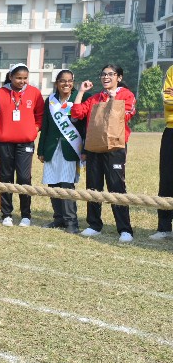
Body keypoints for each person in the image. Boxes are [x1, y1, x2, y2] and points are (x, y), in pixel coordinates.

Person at [70, 65, 136, 242]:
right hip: (94, 147)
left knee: (116, 186)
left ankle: (124, 229)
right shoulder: (96, 97)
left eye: (110, 74)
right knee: (93, 185)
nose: (106, 77)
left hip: (115, 147)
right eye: (103, 74)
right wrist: (81, 92)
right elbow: (77, 113)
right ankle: (94, 225)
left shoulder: (126, 95)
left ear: (119, 77)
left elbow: (128, 115)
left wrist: (113, 101)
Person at [0, 64, 45, 226]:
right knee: (6, 177)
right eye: (18, 78)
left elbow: (41, 115)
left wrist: (34, 130)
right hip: (4, 143)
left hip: (26, 143)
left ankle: (26, 215)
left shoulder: (34, 93)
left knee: (24, 178)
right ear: (10, 77)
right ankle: (6, 214)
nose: (22, 81)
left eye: (25, 78)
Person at [36, 70, 86, 233]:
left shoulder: (79, 97)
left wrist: (85, 148)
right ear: (57, 83)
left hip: (71, 147)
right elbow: (45, 126)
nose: (66, 84)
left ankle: (71, 222)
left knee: (66, 183)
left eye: (70, 81)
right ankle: (59, 218)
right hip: (52, 147)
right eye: (63, 81)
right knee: (53, 183)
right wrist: (41, 149)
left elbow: (85, 125)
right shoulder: (50, 100)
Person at [152, 64, 173, 240]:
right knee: (167, 179)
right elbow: (168, 100)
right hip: (171, 130)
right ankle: (164, 227)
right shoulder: (172, 70)